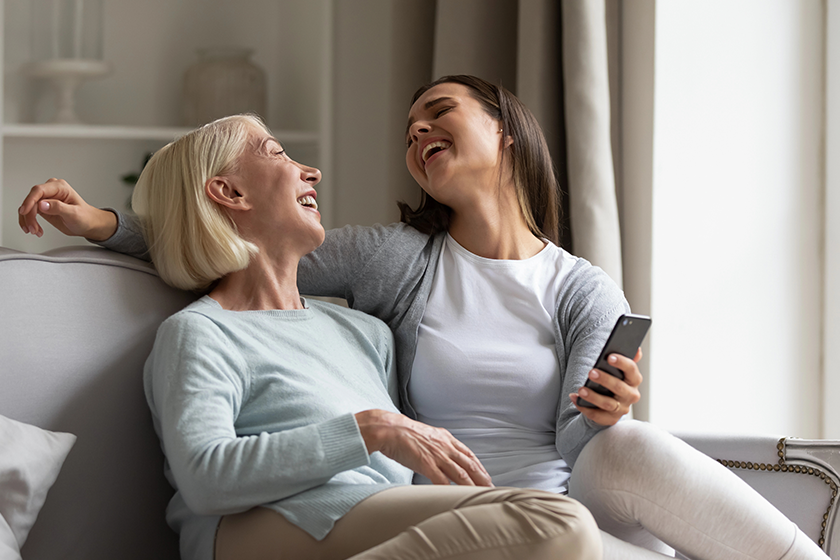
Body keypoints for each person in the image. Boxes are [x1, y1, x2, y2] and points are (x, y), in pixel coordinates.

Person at [18, 76, 828, 560]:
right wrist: (106, 225)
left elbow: (581, 446)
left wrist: (604, 413)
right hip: (460, 514)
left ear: (505, 132)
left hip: (542, 503)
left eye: (440, 112)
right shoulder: (391, 262)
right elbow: (222, 242)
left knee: (624, 452)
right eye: (410, 131)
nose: (418, 132)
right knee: (562, 527)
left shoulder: (577, 290)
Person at [52, 114, 602, 560]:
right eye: (277, 154)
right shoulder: (200, 332)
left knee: (549, 531)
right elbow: (205, 477)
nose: (311, 172)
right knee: (557, 523)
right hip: (257, 530)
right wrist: (371, 430)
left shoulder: (366, 334)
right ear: (228, 191)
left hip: (373, 522)